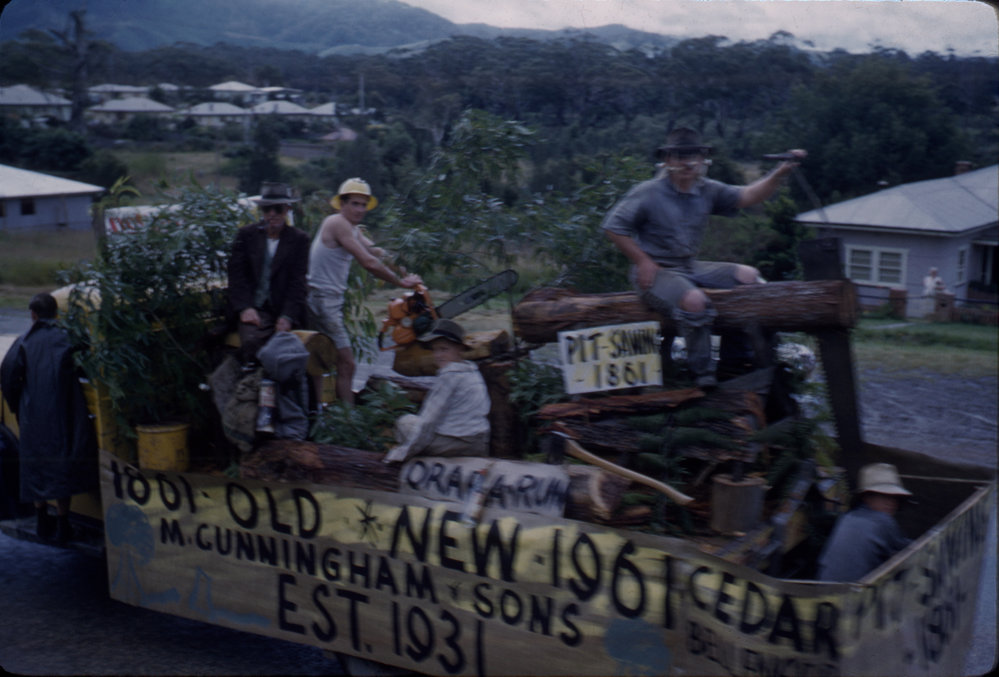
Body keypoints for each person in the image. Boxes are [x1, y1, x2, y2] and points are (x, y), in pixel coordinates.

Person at [601, 127, 805, 386]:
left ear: (702, 159)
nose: (688, 163)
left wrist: (780, 173)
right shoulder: (648, 192)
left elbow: (749, 195)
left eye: (694, 156)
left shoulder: (707, 189)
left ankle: (737, 358)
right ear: (667, 160)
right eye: (680, 157)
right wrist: (642, 261)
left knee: (748, 276)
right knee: (695, 301)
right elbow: (613, 226)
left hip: (690, 266)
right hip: (657, 272)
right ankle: (703, 373)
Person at [307, 178, 422, 404]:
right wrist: (400, 283)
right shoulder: (337, 223)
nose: (360, 209)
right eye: (355, 204)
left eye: (363, 205)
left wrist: (407, 273)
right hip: (320, 299)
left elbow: (378, 252)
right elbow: (368, 262)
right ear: (342, 204)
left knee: (328, 361)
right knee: (345, 362)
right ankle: (346, 419)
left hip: (331, 299)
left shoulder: (353, 229)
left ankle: (331, 411)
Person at [0, 293, 97, 543]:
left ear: (33, 314)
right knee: (61, 466)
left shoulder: (24, 342)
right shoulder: (68, 338)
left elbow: (8, 375)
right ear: (56, 313)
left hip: (33, 416)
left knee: (35, 466)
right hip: (64, 413)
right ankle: (64, 524)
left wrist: (17, 405)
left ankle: (42, 521)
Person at [383, 319, 490, 464]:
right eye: (435, 349)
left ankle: (420, 464)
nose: (438, 355)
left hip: (457, 443)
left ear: (459, 349)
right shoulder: (472, 371)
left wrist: (404, 452)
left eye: (444, 349)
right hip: (479, 441)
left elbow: (428, 420)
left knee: (404, 423)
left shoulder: (449, 376)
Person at [227, 181, 310, 364]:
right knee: (251, 341)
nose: (271, 214)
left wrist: (287, 316)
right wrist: (245, 308)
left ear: (287, 210)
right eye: (266, 209)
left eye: (277, 209)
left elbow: (298, 282)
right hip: (255, 309)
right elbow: (236, 275)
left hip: (283, 308)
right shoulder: (246, 235)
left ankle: (290, 391)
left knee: (299, 349)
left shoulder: (299, 240)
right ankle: (254, 384)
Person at [816, 462, 913, 582]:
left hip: (824, 588)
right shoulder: (883, 521)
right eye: (884, 496)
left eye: (895, 498)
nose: (891, 502)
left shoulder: (847, 517)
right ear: (866, 497)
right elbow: (911, 551)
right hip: (853, 593)